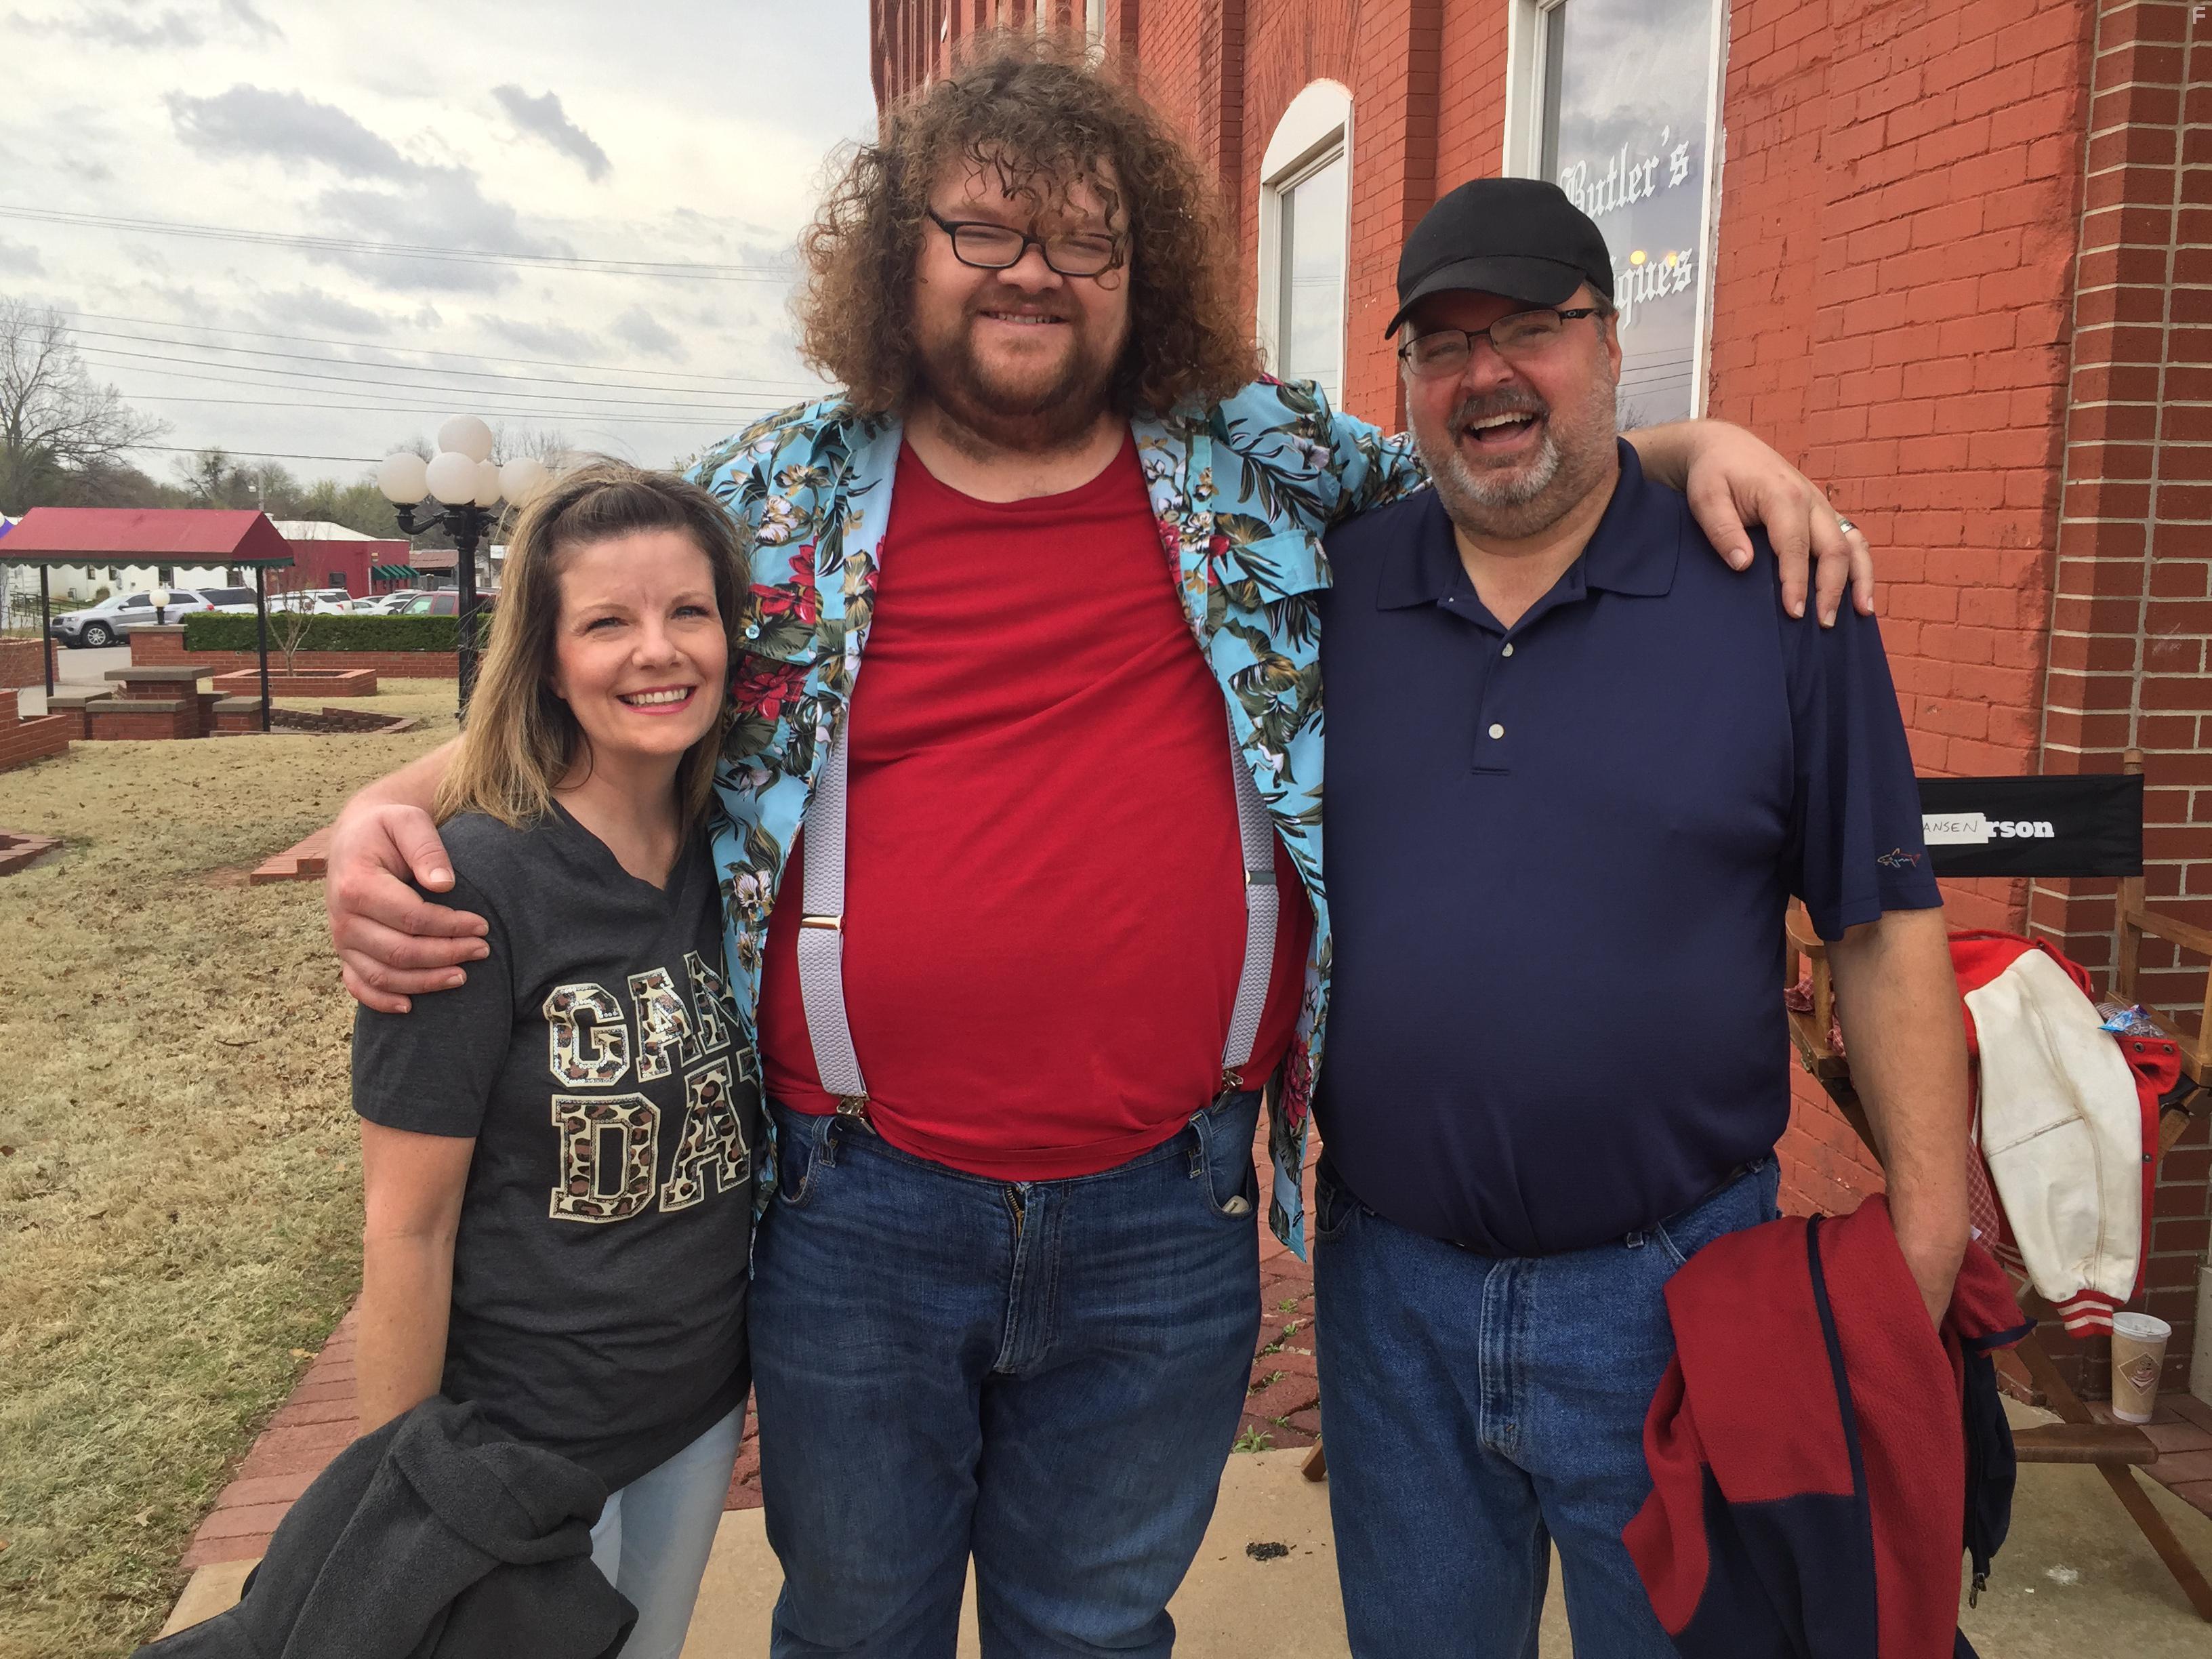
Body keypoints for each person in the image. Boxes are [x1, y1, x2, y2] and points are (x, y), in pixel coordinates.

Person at [325, 34, 1876, 1659]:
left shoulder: (1256, 468)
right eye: (984, 232)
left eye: (1085, 241)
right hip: (860, 1208)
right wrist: (394, 808)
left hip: (1169, 1202)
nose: (1034, 275)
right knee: (858, 1627)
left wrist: (1707, 448)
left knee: (1094, 1627)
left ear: (1146, 274)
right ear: (898, 253)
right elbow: (618, 658)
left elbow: (1502, 470)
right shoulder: (780, 499)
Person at [1309, 176, 1971, 1658]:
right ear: (1407, 378)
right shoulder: (1327, 599)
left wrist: (1926, 1241)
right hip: (1389, 1301)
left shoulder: (1780, 597)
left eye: (1532, 328)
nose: (1487, 374)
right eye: (1444, 341)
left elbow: (1880, 923)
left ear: (1612, 346)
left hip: (1678, 1300)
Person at [350, 462, 760, 1659]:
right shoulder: (469, 884)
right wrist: (402, 1507)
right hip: (515, 1454)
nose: (658, 652)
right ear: (544, 657)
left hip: (691, 1415)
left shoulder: (731, 845)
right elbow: (406, 1229)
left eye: (688, 612)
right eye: (608, 623)